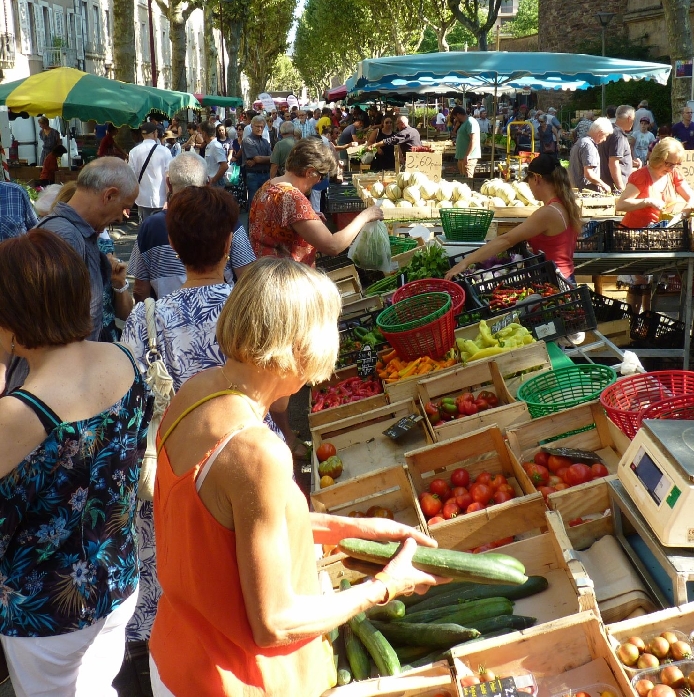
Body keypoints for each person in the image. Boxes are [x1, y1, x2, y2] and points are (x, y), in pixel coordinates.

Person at [148, 259, 443, 696]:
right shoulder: (257, 452)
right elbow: (275, 623)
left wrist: (352, 529)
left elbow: (226, 525)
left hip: (179, 655)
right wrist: (384, 587)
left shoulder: (196, 391)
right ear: (299, 347)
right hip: (238, 680)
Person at [122, 185, 281, 649]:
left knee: (184, 578)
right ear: (230, 243)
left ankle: (178, 656)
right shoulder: (251, 309)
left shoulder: (144, 319)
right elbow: (282, 398)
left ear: (172, 246)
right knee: (249, 574)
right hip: (249, 459)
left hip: (175, 467)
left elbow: (136, 405)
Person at [0, 230, 149, 696]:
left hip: (46, 611)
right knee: (99, 685)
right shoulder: (122, 358)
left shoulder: (19, 414)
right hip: (118, 578)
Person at [127, 152, 256, 300]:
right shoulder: (227, 219)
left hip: (165, 316)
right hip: (224, 315)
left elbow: (140, 290)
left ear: (168, 183)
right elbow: (247, 278)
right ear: (208, 183)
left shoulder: (150, 226)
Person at [37, 157, 138, 343]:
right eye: (124, 208)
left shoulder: (74, 234)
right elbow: (53, 327)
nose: (121, 219)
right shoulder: (65, 237)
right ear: (109, 196)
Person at [447, 153, 582, 284]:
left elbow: (507, 240)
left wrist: (464, 263)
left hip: (556, 282)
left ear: (536, 178)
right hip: (562, 277)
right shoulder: (563, 205)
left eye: (528, 181)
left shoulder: (549, 212)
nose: (529, 187)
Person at [250, 138, 383, 265]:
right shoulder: (293, 198)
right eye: (321, 175)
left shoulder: (267, 186)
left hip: (265, 272)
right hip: (285, 279)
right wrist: (365, 216)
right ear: (310, 172)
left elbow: (277, 227)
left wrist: (308, 219)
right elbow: (333, 246)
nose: (320, 180)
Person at [616, 138, 694, 313]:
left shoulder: (673, 174)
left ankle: (647, 325)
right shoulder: (641, 176)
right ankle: (631, 325)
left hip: (658, 237)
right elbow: (621, 205)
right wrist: (647, 201)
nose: (671, 168)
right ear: (658, 158)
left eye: (676, 164)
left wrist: (683, 213)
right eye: (669, 164)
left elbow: (692, 198)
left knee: (654, 282)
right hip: (633, 238)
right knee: (639, 283)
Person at [129, 120, 172, 221]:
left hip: (142, 198)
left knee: (145, 227)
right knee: (161, 228)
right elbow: (168, 176)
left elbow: (130, 177)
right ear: (154, 133)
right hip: (161, 198)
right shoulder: (165, 151)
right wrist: (168, 198)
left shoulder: (133, 152)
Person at [599, 105, 638, 191]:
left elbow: (611, 157)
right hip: (614, 186)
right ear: (629, 118)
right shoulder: (618, 135)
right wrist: (621, 188)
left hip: (607, 182)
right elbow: (613, 163)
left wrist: (630, 163)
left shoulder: (609, 130)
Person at [569, 117, 613, 192]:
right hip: (586, 192)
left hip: (575, 190)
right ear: (600, 133)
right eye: (605, 136)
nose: (605, 139)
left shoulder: (580, 142)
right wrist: (604, 185)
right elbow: (589, 173)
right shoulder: (589, 146)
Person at [242, 115, 273, 206]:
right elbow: (258, 159)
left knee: (265, 204)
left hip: (266, 174)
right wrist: (259, 159)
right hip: (253, 175)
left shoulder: (265, 142)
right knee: (254, 203)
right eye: (257, 126)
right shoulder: (247, 140)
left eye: (261, 127)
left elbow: (271, 158)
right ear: (252, 126)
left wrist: (258, 160)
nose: (259, 129)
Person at [453, 106, 481, 179]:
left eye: (455, 117)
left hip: (469, 157)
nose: (455, 119)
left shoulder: (470, 122)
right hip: (461, 157)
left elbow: (473, 140)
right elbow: (456, 134)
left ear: (458, 114)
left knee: (468, 179)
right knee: (463, 180)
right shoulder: (463, 123)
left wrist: (467, 155)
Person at [200, 121, 228, 187]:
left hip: (216, 184)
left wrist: (213, 180)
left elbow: (224, 166)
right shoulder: (209, 145)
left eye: (201, 133)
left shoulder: (216, 146)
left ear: (204, 133)